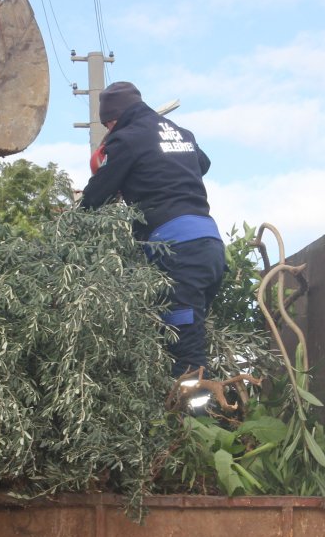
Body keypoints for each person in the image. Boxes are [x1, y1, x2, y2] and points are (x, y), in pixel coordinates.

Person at [80, 81, 224, 379]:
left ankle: (193, 422)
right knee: (183, 335)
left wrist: (71, 226)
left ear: (112, 119)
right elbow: (203, 163)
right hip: (209, 245)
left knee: (185, 353)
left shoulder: (127, 139)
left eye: (107, 123)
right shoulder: (180, 132)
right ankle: (191, 412)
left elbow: (96, 197)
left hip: (176, 251)